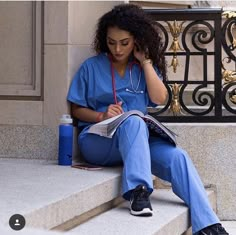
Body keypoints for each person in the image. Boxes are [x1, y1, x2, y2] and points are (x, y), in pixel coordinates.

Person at [67, 4, 228, 235]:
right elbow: (76, 109)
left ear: (136, 40)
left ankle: (208, 225)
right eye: (112, 42)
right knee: (133, 121)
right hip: (99, 141)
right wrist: (101, 115)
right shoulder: (91, 67)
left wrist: (146, 62)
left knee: (177, 156)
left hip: (137, 142)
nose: (118, 49)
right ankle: (138, 192)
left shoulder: (141, 68)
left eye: (124, 42)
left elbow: (160, 97)